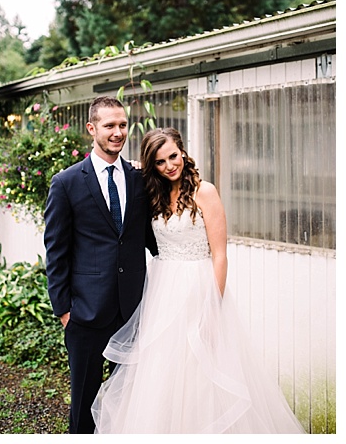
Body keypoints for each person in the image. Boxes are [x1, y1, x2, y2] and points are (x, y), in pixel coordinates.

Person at [90, 128, 305, 433]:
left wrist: (212, 309)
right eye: (161, 162)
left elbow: (219, 255)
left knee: (201, 371)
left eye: (173, 156)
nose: (170, 166)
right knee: (161, 373)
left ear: (183, 151)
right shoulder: (154, 193)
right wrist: (138, 167)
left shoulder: (205, 192)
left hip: (198, 288)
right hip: (162, 294)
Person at [44, 96, 157, 434]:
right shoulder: (66, 183)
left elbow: (150, 236)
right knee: (84, 401)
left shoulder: (139, 177)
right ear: (92, 128)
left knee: (127, 400)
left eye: (122, 125)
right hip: (86, 312)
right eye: (109, 125)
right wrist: (65, 310)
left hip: (132, 309)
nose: (118, 132)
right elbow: (56, 250)